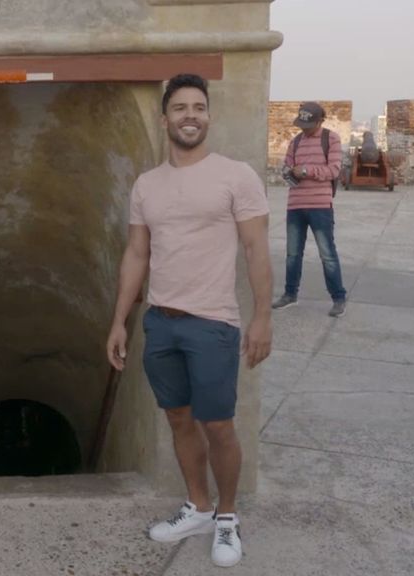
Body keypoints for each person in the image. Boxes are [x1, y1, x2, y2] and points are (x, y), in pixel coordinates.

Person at [105, 74, 273, 568]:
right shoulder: (147, 185)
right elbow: (136, 254)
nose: (190, 116)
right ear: (165, 119)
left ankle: (226, 516)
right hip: (161, 321)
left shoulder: (235, 176)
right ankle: (198, 505)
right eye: (180, 108)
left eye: (199, 107)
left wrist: (262, 316)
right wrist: (120, 321)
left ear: (209, 116)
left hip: (213, 323)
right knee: (178, 418)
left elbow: (256, 248)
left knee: (218, 424)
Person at [272, 101, 347, 317]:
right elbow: (286, 166)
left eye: (309, 125)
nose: (305, 129)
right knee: (293, 254)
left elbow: (333, 170)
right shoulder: (295, 142)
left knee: (327, 254)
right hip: (295, 205)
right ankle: (290, 294)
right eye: (302, 125)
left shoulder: (330, 139)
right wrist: (289, 172)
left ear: (321, 121)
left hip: (320, 206)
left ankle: (338, 298)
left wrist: (305, 170)